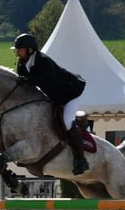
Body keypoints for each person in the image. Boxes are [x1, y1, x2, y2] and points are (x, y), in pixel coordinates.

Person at [12, 32, 90, 175]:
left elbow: (46, 81)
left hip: (70, 94)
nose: (17, 52)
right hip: (53, 95)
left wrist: (27, 81)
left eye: (19, 49)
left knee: (67, 121)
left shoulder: (43, 61)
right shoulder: (22, 64)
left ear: (30, 50)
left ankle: (81, 159)